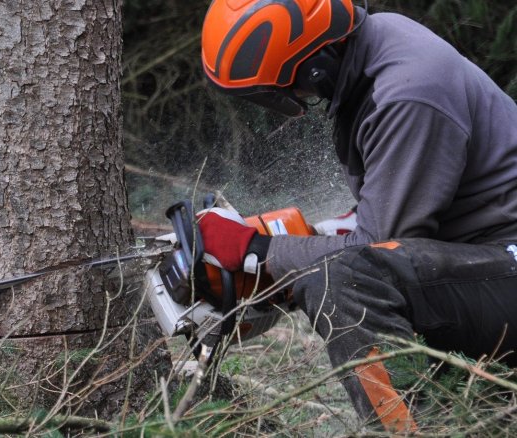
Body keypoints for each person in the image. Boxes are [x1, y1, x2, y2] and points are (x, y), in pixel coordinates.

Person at [197, 0, 517, 432]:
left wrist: (259, 251)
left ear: (315, 66)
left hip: (505, 258)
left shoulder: (407, 93)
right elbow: (387, 210)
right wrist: (296, 238)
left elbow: (376, 250)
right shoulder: (375, 47)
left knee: (342, 282)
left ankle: (421, 430)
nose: (294, 98)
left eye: (286, 87)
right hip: (487, 255)